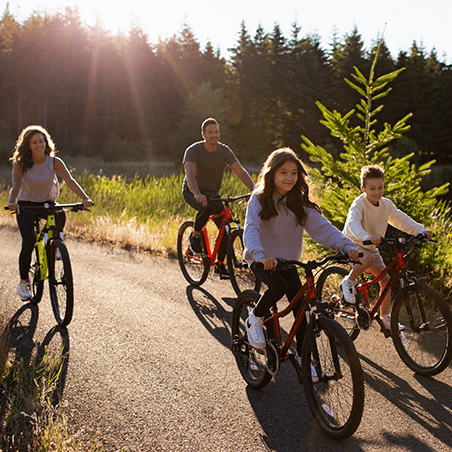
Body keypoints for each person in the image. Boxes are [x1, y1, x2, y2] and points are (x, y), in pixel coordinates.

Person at [243, 148, 359, 378]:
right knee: (279, 287)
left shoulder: (299, 203)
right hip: (262, 259)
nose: (289, 177)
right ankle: (255, 318)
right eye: (283, 172)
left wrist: (347, 247)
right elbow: (251, 229)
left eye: (294, 173)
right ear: (271, 173)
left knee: (302, 311)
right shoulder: (259, 199)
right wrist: (259, 254)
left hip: (288, 261)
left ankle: (309, 362)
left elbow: (322, 228)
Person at [340, 164, 433, 332]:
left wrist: (421, 230)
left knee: (386, 280)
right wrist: (365, 237)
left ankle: (385, 319)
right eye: (372, 188)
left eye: (380, 187)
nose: (377, 192)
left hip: (371, 244)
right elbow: (353, 223)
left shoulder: (386, 204)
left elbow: (401, 219)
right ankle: (348, 281)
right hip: (352, 243)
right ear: (363, 188)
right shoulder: (358, 203)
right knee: (368, 259)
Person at [7, 125, 93, 301]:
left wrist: (85, 198)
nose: (39, 145)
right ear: (28, 145)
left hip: (47, 203)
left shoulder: (54, 161)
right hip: (26, 205)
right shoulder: (21, 163)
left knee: (60, 213)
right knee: (28, 242)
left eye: (42, 141)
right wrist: (11, 202)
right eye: (34, 142)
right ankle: (24, 282)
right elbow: (16, 185)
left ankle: (55, 245)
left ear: (46, 142)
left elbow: (70, 181)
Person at [182, 118, 255, 277]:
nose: (214, 135)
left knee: (226, 226)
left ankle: (220, 265)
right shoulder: (194, 150)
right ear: (203, 135)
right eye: (210, 132)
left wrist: (253, 188)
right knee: (205, 207)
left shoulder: (224, 151)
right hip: (192, 191)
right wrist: (197, 193)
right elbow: (190, 175)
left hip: (213, 195)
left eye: (216, 131)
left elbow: (240, 171)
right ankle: (194, 236)